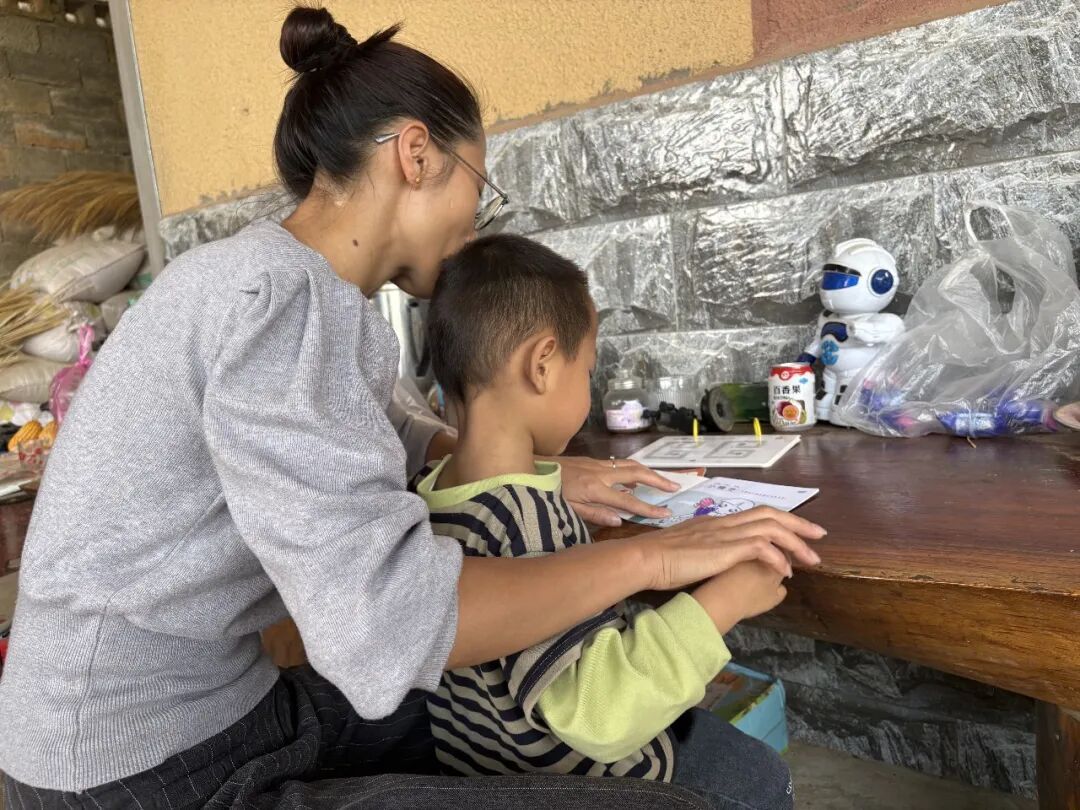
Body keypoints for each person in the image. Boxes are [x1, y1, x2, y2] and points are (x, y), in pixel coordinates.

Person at [0, 7, 824, 808]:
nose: (475, 224)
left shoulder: (294, 291)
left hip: (223, 710)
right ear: (418, 155)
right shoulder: (277, 303)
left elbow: (363, 430)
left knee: (575, 736)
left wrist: (508, 462)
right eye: (479, 187)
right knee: (693, 797)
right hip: (135, 773)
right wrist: (659, 560)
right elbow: (385, 627)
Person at [414, 234, 805, 807]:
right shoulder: (523, 520)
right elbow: (599, 716)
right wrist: (727, 601)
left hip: (482, 772)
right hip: (590, 786)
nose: (588, 389)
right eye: (588, 371)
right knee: (762, 780)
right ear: (542, 364)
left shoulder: (427, 493)